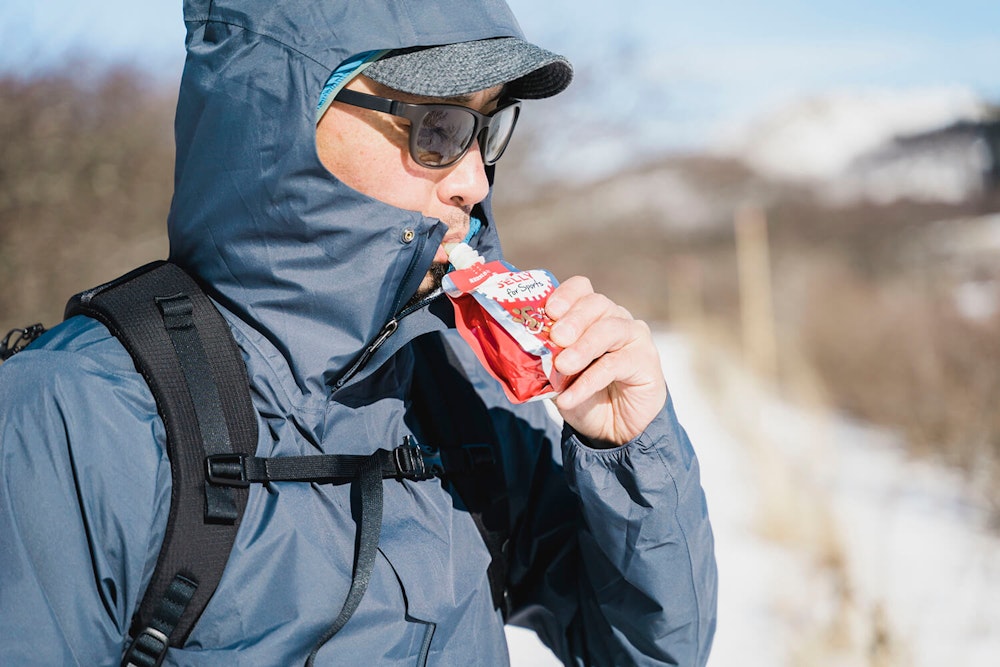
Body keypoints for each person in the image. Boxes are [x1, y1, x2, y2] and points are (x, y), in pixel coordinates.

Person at [0, 0, 717, 665]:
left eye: (487, 127)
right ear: (276, 122)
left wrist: (626, 452)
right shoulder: (73, 415)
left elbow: (645, 650)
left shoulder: (450, 386)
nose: (475, 181)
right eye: (435, 129)